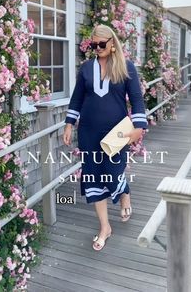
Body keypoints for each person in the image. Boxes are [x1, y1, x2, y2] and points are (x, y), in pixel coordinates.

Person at [63, 24, 147, 251]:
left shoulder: (126, 67)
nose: (97, 48)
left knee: (113, 173)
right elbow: (77, 99)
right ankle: (104, 227)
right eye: (94, 44)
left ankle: (125, 193)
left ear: (112, 44)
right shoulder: (86, 69)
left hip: (117, 134)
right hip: (88, 133)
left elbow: (137, 100)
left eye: (102, 44)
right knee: (92, 177)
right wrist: (69, 124)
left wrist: (139, 127)